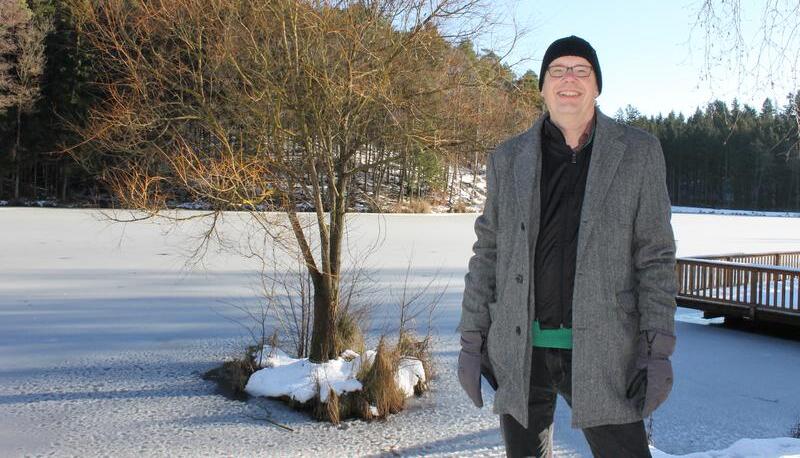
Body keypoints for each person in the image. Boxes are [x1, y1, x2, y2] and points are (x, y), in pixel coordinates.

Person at [456, 35, 677, 458]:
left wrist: (658, 348)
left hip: (608, 353)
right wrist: (472, 338)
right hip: (521, 350)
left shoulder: (639, 153)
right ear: (542, 87)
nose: (568, 80)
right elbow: (488, 251)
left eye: (581, 71)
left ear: (597, 86)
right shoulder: (508, 158)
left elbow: (655, 257)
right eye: (557, 71)